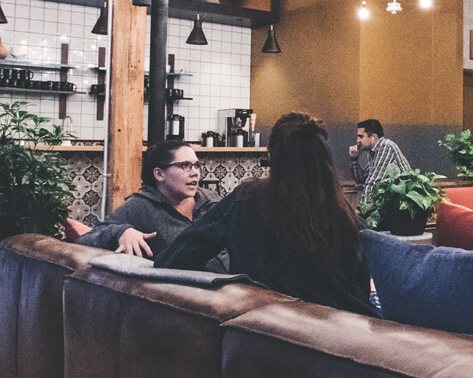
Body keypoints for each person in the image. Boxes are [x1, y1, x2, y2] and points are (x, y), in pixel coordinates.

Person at [155, 112, 379, 317]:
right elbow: (360, 290)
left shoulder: (245, 200)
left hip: (261, 332)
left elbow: (175, 259)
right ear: (324, 160)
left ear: (271, 157)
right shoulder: (345, 216)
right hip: (342, 333)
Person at [77, 140, 226, 271]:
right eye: (185, 165)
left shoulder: (212, 201)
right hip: (191, 289)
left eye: (197, 165)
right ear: (159, 174)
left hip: (234, 284)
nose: (195, 173)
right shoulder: (141, 207)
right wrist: (120, 232)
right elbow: (84, 241)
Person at [349, 119, 411, 203]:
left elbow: (374, 183)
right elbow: (362, 181)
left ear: (373, 137)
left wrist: (362, 208)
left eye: (361, 136)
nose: (357, 141)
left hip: (405, 203)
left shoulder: (386, 146)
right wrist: (354, 159)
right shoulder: (373, 152)